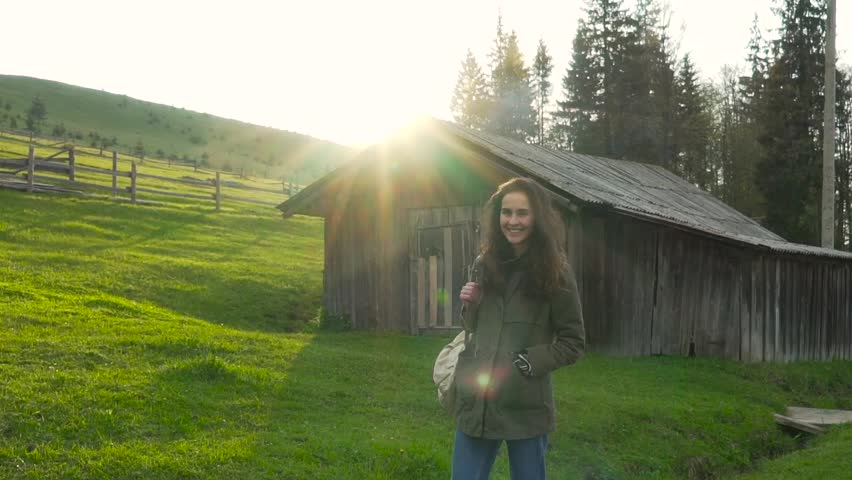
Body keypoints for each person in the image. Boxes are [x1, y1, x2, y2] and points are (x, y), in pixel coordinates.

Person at [452, 177, 585, 480]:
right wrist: (470, 304)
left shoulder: (556, 271)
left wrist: (526, 362)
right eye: (506, 212)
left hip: (525, 405)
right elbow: (472, 328)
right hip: (477, 403)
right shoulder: (483, 263)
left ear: (537, 217)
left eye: (522, 213)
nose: (512, 221)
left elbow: (573, 342)